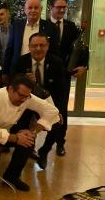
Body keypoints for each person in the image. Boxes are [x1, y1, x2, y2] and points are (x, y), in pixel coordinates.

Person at [0, 74, 60, 191]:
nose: (23, 100)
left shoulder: (26, 97)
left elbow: (52, 111)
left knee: (29, 141)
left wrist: (33, 132)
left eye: (26, 96)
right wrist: (16, 138)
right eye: (20, 95)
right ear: (10, 89)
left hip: (5, 129)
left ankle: (12, 177)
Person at [12, 32, 67, 169]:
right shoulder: (21, 61)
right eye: (34, 45)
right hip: (26, 102)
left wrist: (58, 111)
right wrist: (24, 80)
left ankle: (44, 152)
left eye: (42, 45)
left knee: (57, 124)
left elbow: (62, 90)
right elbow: (13, 85)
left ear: (47, 46)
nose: (38, 49)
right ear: (29, 47)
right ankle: (28, 150)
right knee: (23, 127)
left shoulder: (57, 62)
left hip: (48, 102)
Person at [47, 0, 89, 156]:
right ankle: (32, 145)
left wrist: (84, 66)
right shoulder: (43, 26)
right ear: (51, 8)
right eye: (58, 7)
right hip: (45, 74)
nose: (62, 10)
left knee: (62, 110)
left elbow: (82, 48)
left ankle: (60, 143)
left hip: (63, 76)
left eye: (64, 7)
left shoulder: (72, 27)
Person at [2, 0, 59, 79]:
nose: (33, 10)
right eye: (30, 8)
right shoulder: (17, 25)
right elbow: (10, 49)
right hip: (18, 70)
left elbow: (54, 52)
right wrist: (5, 72)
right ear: (25, 10)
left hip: (41, 71)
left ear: (41, 9)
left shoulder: (50, 27)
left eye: (36, 8)